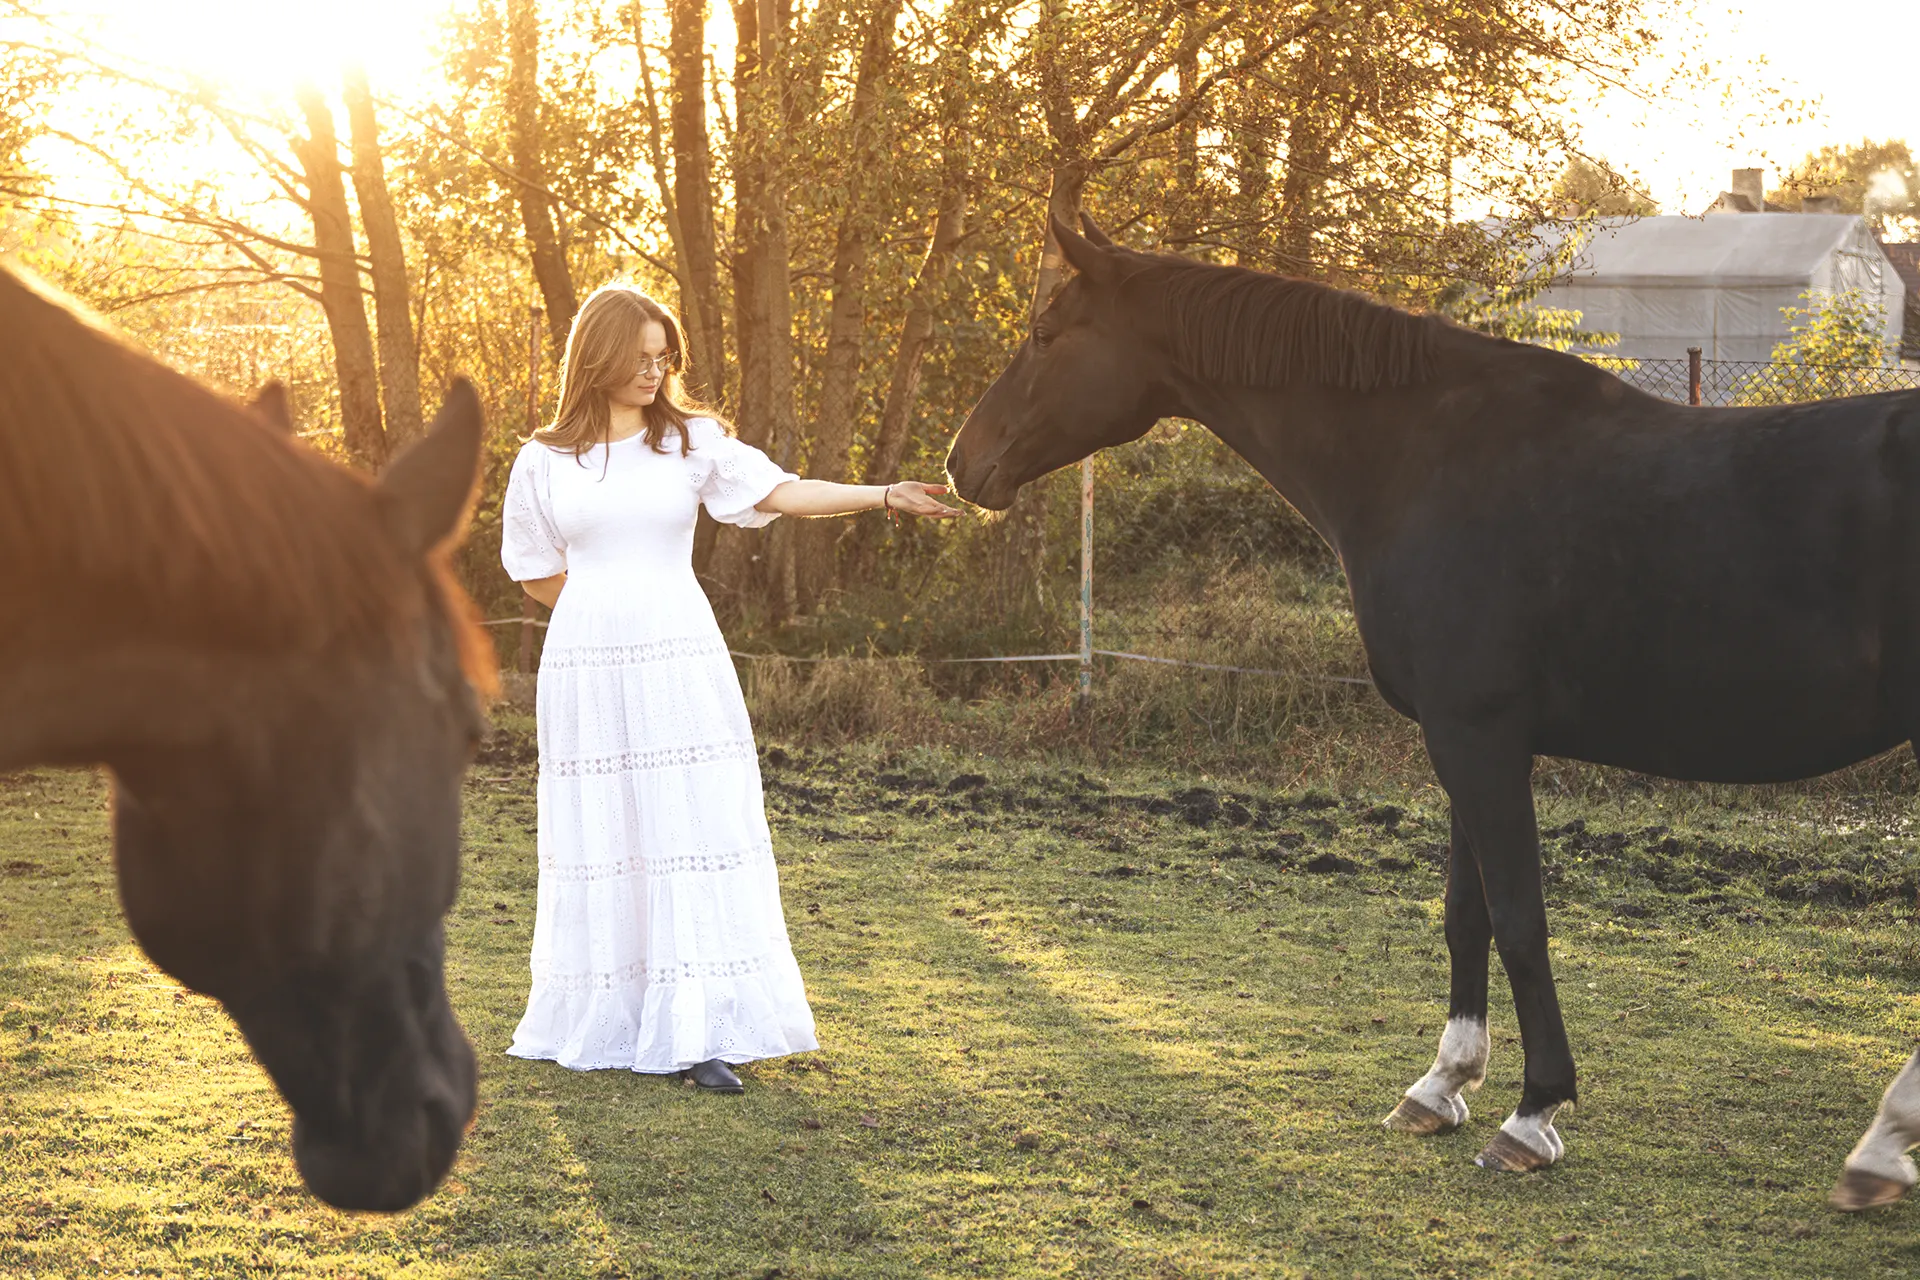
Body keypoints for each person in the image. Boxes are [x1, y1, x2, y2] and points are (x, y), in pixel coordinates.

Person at [500, 283, 955, 1091]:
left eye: (662, 356)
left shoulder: (691, 441)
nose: (654, 370)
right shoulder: (544, 458)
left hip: (679, 653)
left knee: (687, 820)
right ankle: (613, 1013)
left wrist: (882, 494)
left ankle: (694, 1027)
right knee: (607, 825)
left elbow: (780, 492)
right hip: (587, 664)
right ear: (596, 357)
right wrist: (607, 620)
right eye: (639, 357)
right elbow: (535, 571)